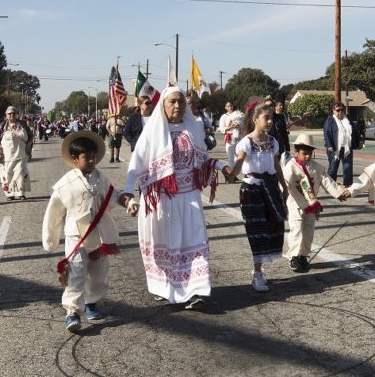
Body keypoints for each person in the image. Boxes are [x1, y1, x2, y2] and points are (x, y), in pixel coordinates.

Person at [120, 86, 232, 310]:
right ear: (163, 105)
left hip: (188, 197)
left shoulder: (192, 129)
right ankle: (166, 288)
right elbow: (136, 165)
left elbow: (203, 159)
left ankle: (195, 291)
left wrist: (222, 166)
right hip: (162, 200)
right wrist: (128, 192)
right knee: (166, 245)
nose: (178, 106)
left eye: (181, 102)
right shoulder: (152, 132)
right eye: (172, 102)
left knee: (194, 242)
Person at [42, 130, 137, 332]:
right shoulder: (65, 184)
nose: (92, 160)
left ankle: (92, 303)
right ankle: (73, 312)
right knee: (76, 274)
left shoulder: (101, 178)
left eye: (94, 156)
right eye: (87, 157)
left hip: (99, 237)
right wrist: (50, 238)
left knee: (98, 274)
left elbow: (114, 195)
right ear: (75, 159)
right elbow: (54, 212)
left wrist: (129, 203)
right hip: (76, 237)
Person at [228, 102, 288, 292]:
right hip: (252, 191)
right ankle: (257, 273)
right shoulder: (246, 142)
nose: (270, 121)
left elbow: (277, 166)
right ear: (255, 119)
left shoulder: (273, 142)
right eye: (266, 118)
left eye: (271, 118)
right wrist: (232, 172)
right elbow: (239, 162)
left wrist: (284, 187)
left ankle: (259, 270)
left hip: (270, 188)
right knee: (257, 230)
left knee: (273, 227)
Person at [282, 134, 345, 272]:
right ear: (296, 151)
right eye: (304, 153)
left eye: (310, 153)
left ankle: (303, 255)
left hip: (311, 205)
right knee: (297, 229)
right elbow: (284, 184)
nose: (307, 156)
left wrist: (338, 193)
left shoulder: (317, 167)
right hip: (295, 204)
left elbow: (326, 180)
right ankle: (294, 256)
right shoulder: (290, 167)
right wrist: (281, 196)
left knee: (308, 231)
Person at [0, 106, 33, 201]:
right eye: (9, 113)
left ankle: (20, 193)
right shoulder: (2, 126)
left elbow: (30, 136)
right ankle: (10, 194)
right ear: (6, 115)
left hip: (21, 153)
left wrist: (28, 145)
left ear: (17, 114)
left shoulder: (23, 125)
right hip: (7, 155)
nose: (12, 115)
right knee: (7, 174)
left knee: (21, 172)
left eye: (14, 113)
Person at [323, 102, 354, 186]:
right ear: (333, 111)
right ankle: (331, 185)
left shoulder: (347, 120)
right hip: (334, 148)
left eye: (342, 110)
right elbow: (326, 133)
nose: (340, 112)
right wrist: (329, 145)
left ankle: (348, 185)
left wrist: (359, 140)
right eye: (338, 110)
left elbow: (354, 131)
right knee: (333, 167)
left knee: (348, 167)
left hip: (347, 147)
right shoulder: (330, 120)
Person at [218, 102, 244, 168]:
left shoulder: (239, 114)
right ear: (225, 107)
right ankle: (230, 174)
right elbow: (221, 129)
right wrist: (231, 127)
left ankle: (234, 172)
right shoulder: (224, 116)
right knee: (230, 157)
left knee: (239, 156)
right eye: (228, 106)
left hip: (239, 137)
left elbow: (244, 125)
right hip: (230, 138)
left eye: (231, 106)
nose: (230, 107)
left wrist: (239, 125)